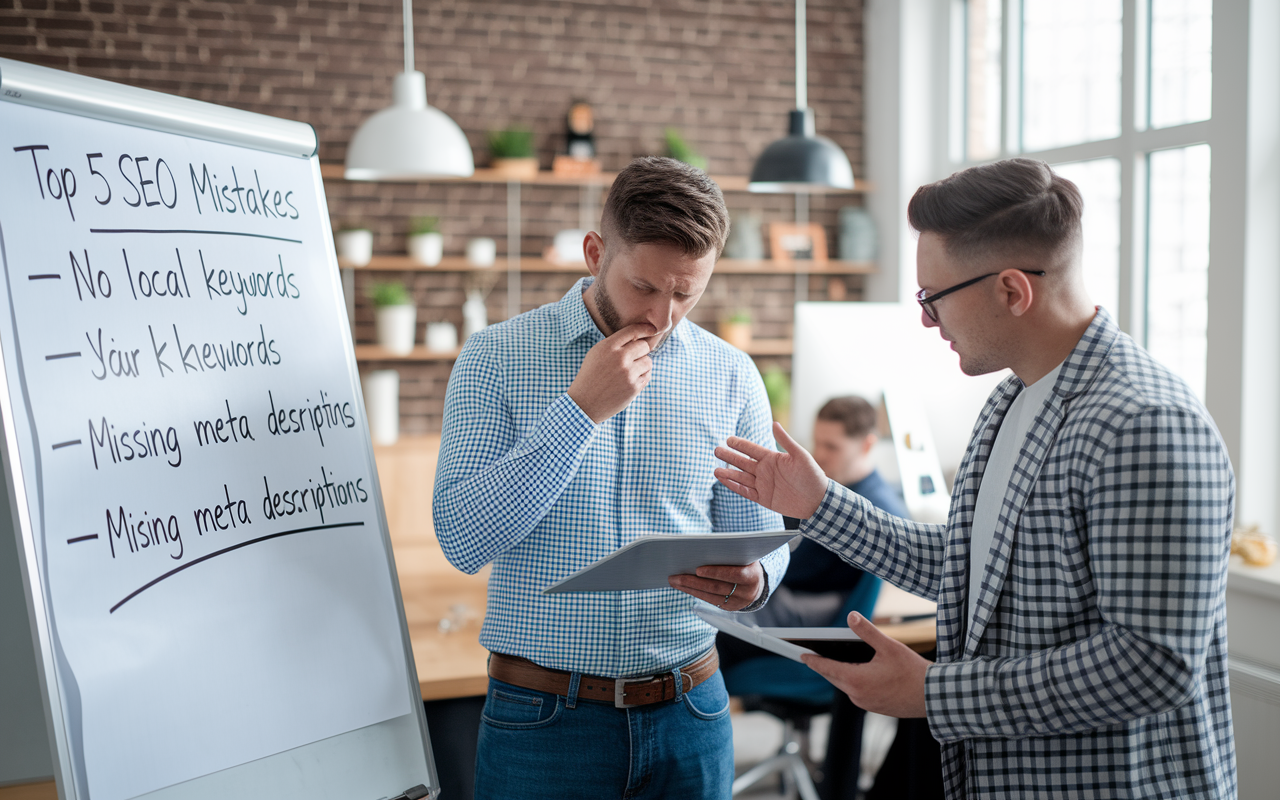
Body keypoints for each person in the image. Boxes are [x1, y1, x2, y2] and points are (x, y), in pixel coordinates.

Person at [712, 158, 1236, 799]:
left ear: (1012, 291)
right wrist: (820, 505)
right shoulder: (1012, 399)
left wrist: (936, 692)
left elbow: (1151, 665)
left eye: (934, 300)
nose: (928, 322)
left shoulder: (1146, 422)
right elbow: (970, 566)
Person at [433, 156, 789, 800]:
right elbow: (462, 540)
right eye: (645, 287)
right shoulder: (496, 358)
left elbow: (758, 538)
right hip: (542, 723)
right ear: (596, 252)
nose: (663, 316)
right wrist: (579, 411)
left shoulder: (733, 375)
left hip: (693, 711)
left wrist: (756, 581)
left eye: (687, 293)